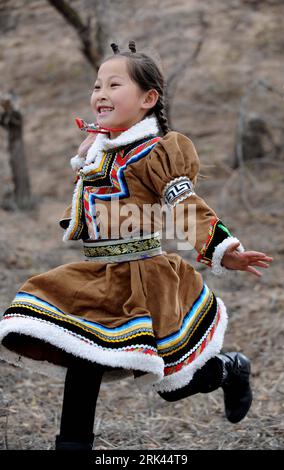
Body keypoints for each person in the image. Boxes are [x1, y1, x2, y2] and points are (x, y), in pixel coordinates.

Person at [0, 40, 273, 451]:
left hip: (146, 279)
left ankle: (228, 369)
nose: (101, 94)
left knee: (171, 384)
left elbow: (185, 206)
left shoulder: (157, 152)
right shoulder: (100, 149)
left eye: (114, 85)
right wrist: (85, 160)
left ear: (148, 98)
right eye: (97, 86)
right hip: (99, 275)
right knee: (82, 356)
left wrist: (222, 248)